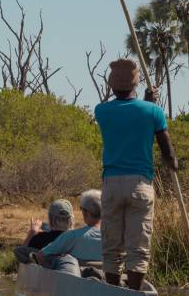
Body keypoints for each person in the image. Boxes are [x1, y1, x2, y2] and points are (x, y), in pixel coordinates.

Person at [94, 59, 178, 290]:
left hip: (111, 185)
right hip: (140, 184)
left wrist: (147, 104)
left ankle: (111, 292)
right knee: (138, 247)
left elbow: (126, 112)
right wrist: (174, 164)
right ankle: (133, 293)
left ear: (111, 86)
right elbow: (167, 152)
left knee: (112, 246)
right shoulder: (153, 111)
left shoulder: (101, 111)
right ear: (136, 83)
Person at [33, 189, 103, 277]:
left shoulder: (72, 236)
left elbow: (40, 256)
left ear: (85, 212)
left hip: (72, 285)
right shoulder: (115, 239)